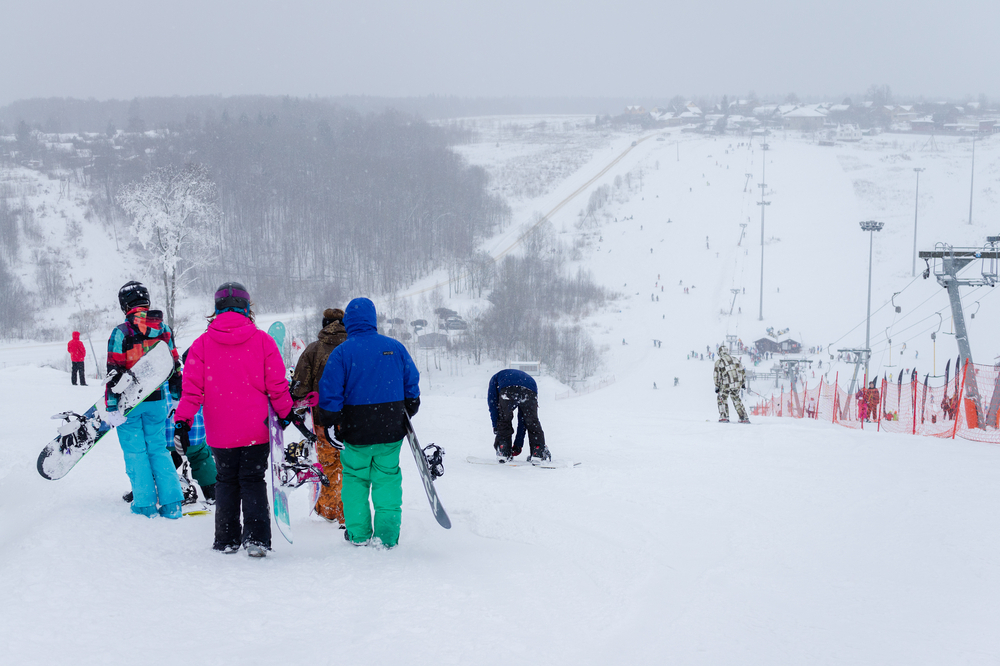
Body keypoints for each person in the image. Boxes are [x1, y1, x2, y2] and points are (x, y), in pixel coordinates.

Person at [175, 282, 293, 557]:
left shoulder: (201, 345)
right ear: (247, 308)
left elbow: (191, 391)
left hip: (220, 431)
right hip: (256, 429)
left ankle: (226, 539)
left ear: (216, 309)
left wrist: (182, 422)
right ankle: (257, 539)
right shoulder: (263, 341)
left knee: (226, 480)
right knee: (253, 479)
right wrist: (286, 413)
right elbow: (277, 386)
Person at [317, 298, 420, 549]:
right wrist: (409, 407)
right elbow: (411, 382)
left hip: (355, 430)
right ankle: (387, 536)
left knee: (355, 480)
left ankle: (359, 534)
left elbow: (329, 391)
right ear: (373, 319)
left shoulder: (342, 352)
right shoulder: (394, 347)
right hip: (391, 428)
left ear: (348, 321)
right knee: (387, 480)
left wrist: (330, 422)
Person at [105, 281, 185, 518]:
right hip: (158, 400)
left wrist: (111, 406)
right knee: (158, 450)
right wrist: (176, 398)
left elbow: (114, 371)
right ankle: (172, 505)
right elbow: (174, 366)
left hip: (129, 403)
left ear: (124, 305)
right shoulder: (164, 329)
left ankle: (145, 505)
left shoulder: (121, 332)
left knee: (136, 453)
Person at [291, 307, 347, 526]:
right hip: (355, 420)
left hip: (324, 419)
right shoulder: (355, 347)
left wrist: (297, 405)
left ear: (324, 325)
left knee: (329, 464)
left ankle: (329, 509)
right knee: (352, 466)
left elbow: (300, 387)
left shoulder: (314, 350)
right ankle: (350, 511)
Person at [488, 368, 550, 462]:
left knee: (504, 419)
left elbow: (492, 405)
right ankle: (538, 451)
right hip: (530, 387)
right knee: (531, 421)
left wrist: (496, 425)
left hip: (507, 387)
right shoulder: (525, 378)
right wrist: (518, 444)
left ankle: (503, 449)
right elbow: (523, 419)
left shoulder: (494, 379)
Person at [714, 345, 749, 423]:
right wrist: (743, 383)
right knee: (736, 398)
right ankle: (743, 417)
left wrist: (717, 385)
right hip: (736, 384)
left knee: (722, 398)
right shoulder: (736, 359)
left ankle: (724, 416)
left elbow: (717, 375)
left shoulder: (719, 362)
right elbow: (742, 371)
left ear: (719, 353)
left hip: (725, 384)